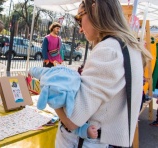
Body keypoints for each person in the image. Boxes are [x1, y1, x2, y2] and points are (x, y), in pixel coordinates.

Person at [54, 0, 152, 147]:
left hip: (90, 142)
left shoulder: (108, 50)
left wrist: (51, 90)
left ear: (95, 9)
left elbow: (72, 119)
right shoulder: (130, 48)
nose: (80, 28)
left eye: (79, 18)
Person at [28, 66, 98, 141]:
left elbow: (71, 123)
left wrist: (85, 130)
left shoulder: (79, 93)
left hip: (75, 128)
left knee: (73, 117)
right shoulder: (76, 82)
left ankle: (84, 130)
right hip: (64, 131)